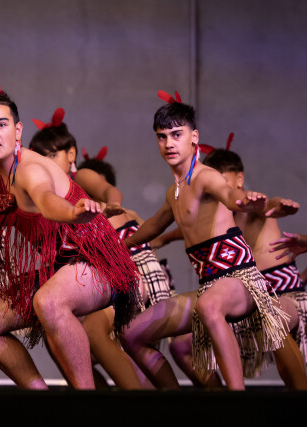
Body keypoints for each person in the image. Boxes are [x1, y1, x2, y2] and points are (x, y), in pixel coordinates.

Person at [0, 68, 140, 390]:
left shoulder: (29, 170)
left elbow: (46, 200)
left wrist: (72, 212)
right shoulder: (0, 179)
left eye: (1, 125)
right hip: (58, 270)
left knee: (48, 301)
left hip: (98, 266)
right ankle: (38, 394)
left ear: (17, 130)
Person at [118, 92, 289, 390]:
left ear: (194, 137)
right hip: (209, 287)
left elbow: (230, 195)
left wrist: (243, 199)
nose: (169, 143)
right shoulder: (173, 192)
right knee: (132, 334)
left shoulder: (206, 177)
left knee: (209, 306)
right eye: (162, 137)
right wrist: (119, 245)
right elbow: (155, 225)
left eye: (177, 134)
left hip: (241, 281)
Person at [28, 109, 165, 389]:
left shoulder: (80, 177)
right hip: (101, 274)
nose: (46, 163)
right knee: (56, 333)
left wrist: (110, 205)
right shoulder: (50, 200)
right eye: (40, 157)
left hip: (131, 267)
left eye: (52, 155)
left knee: (96, 332)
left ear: (71, 154)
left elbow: (110, 191)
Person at [201, 148, 305, 388]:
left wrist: (281, 205)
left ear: (239, 179)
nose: (218, 190)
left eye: (222, 183)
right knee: (186, 342)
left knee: (273, 317)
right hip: (256, 302)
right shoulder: (223, 217)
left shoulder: (253, 205)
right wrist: (160, 238)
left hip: (287, 298)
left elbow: (269, 204)